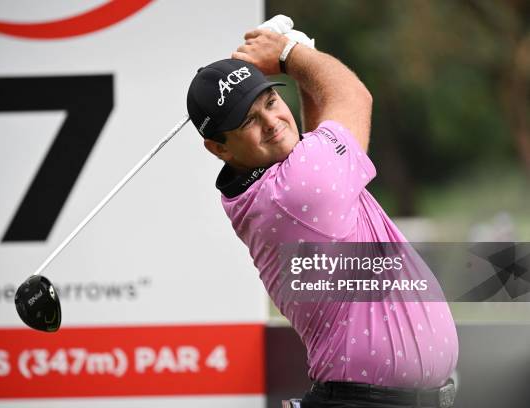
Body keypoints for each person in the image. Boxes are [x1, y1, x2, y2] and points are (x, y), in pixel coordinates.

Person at [186, 25, 458, 408]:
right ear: (219, 148)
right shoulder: (290, 193)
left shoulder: (276, 184)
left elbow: (315, 145)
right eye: (247, 120)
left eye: (269, 101)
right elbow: (354, 97)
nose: (271, 121)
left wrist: (298, 66)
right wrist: (290, 53)